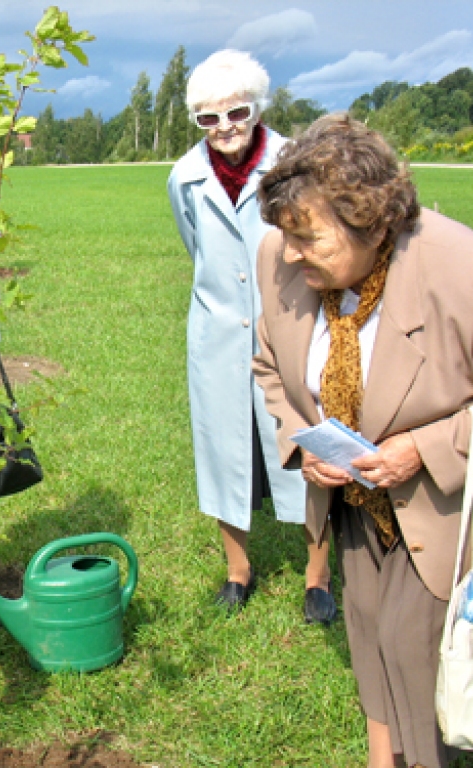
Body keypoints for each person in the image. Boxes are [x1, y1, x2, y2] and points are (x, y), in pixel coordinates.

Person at [253, 113, 473, 768]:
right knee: (368, 635)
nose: (291, 253)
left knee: (414, 653)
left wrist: (423, 449)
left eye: (310, 239)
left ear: (375, 223)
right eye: (285, 235)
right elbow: (270, 365)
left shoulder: (472, 276)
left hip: (439, 508)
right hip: (352, 504)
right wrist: (303, 444)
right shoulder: (281, 255)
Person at [166, 50, 334, 621]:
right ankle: (238, 570)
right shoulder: (184, 178)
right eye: (208, 119)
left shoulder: (295, 165)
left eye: (235, 113)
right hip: (216, 335)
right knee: (221, 449)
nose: (224, 129)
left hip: (290, 327)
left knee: (308, 443)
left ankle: (318, 574)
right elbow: (199, 249)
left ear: (257, 108)